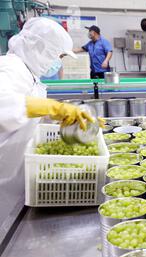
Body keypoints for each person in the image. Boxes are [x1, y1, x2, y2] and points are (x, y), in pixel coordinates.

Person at [0, 17, 94, 225]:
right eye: (57, 56)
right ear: (39, 48)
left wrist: (56, 117)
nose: (57, 62)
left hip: (20, 177)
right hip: (5, 179)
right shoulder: (10, 67)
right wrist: (53, 107)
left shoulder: (30, 74)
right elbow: (3, 105)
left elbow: (30, 113)